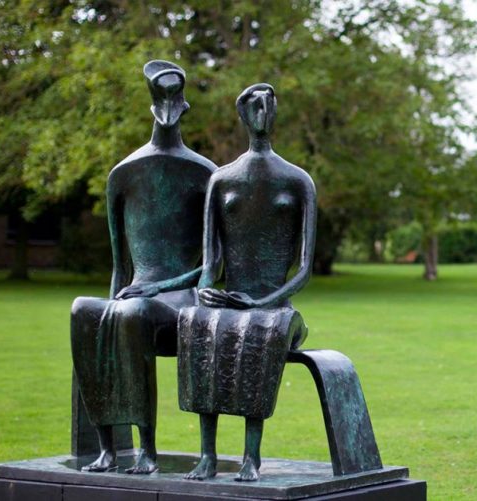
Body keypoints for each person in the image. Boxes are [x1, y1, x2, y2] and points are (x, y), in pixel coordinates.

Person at [71, 60, 216, 474]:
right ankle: (107, 448)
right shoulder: (124, 173)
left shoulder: (204, 173)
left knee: (133, 313)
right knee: (84, 311)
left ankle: (147, 450)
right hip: (133, 297)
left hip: (180, 303)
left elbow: (212, 265)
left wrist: (153, 290)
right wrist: (110, 310)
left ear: (183, 106)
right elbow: (120, 267)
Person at [178, 83, 317, 482]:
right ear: (242, 115)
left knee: (258, 333)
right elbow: (212, 261)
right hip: (230, 300)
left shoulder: (297, 180)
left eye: (269, 105)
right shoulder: (222, 179)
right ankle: (207, 454)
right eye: (254, 106)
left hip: (275, 306)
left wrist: (261, 302)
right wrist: (206, 291)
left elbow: (304, 270)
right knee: (199, 325)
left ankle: (250, 456)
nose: (262, 113)